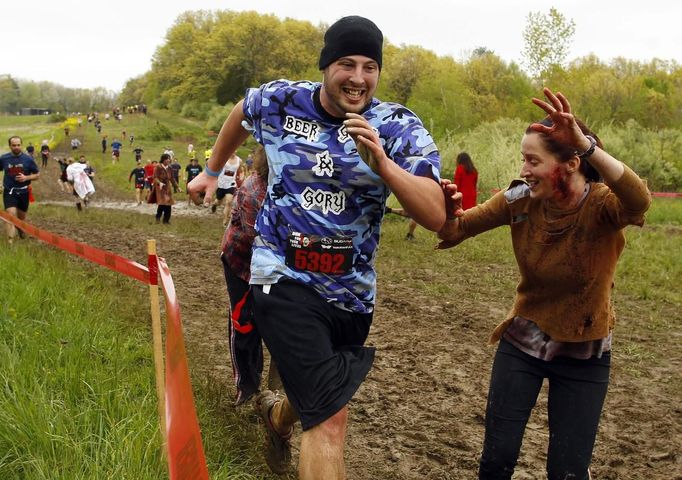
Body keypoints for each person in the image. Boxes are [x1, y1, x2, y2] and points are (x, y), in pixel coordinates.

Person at [188, 15, 445, 479]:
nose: (358, 78)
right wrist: (212, 170)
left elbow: (435, 215)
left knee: (315, 399)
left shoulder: (397, 125)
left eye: (370, 66)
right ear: (326, 65)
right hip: (281, 278)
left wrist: (384, 166)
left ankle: (276, 417)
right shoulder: (281, 99)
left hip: (351, 292)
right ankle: (286, 415)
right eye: (346, 64)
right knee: (330, 416)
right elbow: (241, 112)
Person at [437, 88, 651, 480]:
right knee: (497, 459)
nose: (525, 169)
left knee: (567, 472)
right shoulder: (520, 198)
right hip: (524, 341)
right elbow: (458, 229)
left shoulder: (602, 205)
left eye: (533, 160)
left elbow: (639, 201)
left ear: (569, 164)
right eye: (524, 159)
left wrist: (585, 145)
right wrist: (448, 215)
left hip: (585, 351)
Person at [220, 145, 281, 406]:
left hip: (281, 265)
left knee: (279, 324)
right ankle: (246, 387)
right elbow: (260, 238)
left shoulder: (297, 187)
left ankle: (277, 392)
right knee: (244, 322)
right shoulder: (254, 190)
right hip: (243, 262)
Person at [1, 136, 40, 243]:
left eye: (18, 145)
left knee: (21, 218)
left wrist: (26, 178)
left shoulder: (28, 159)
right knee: (10, 215)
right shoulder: (4, 158)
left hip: (24, 192)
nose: (16, 147)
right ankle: (10, 242)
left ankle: (20, 229)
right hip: (10, 191)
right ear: (10, 146)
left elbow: (37, 175)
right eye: (14, 145)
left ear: (21, 145)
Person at [211, 153, 244, 226]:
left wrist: (241, 177)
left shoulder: (239, 160)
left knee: (229, 202)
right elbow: (216, 167)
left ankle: (225, 220)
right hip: (221, 183)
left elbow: (241, 171)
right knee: (218, 202)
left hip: (231, 183)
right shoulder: (224, 158)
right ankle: (214, 204)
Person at [148, 153, 177, 224]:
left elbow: (172, 178)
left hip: (167, 187)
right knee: (162, 203)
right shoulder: (158, 167)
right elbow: (155, 177)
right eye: (167, 159)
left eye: (169, 159)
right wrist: (160, 183)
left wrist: (177, 186)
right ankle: (158, 217)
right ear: (163, 160)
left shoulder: (170, 168)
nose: (169, 160)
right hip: (160, 188)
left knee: (168, 203)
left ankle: (166, 220)